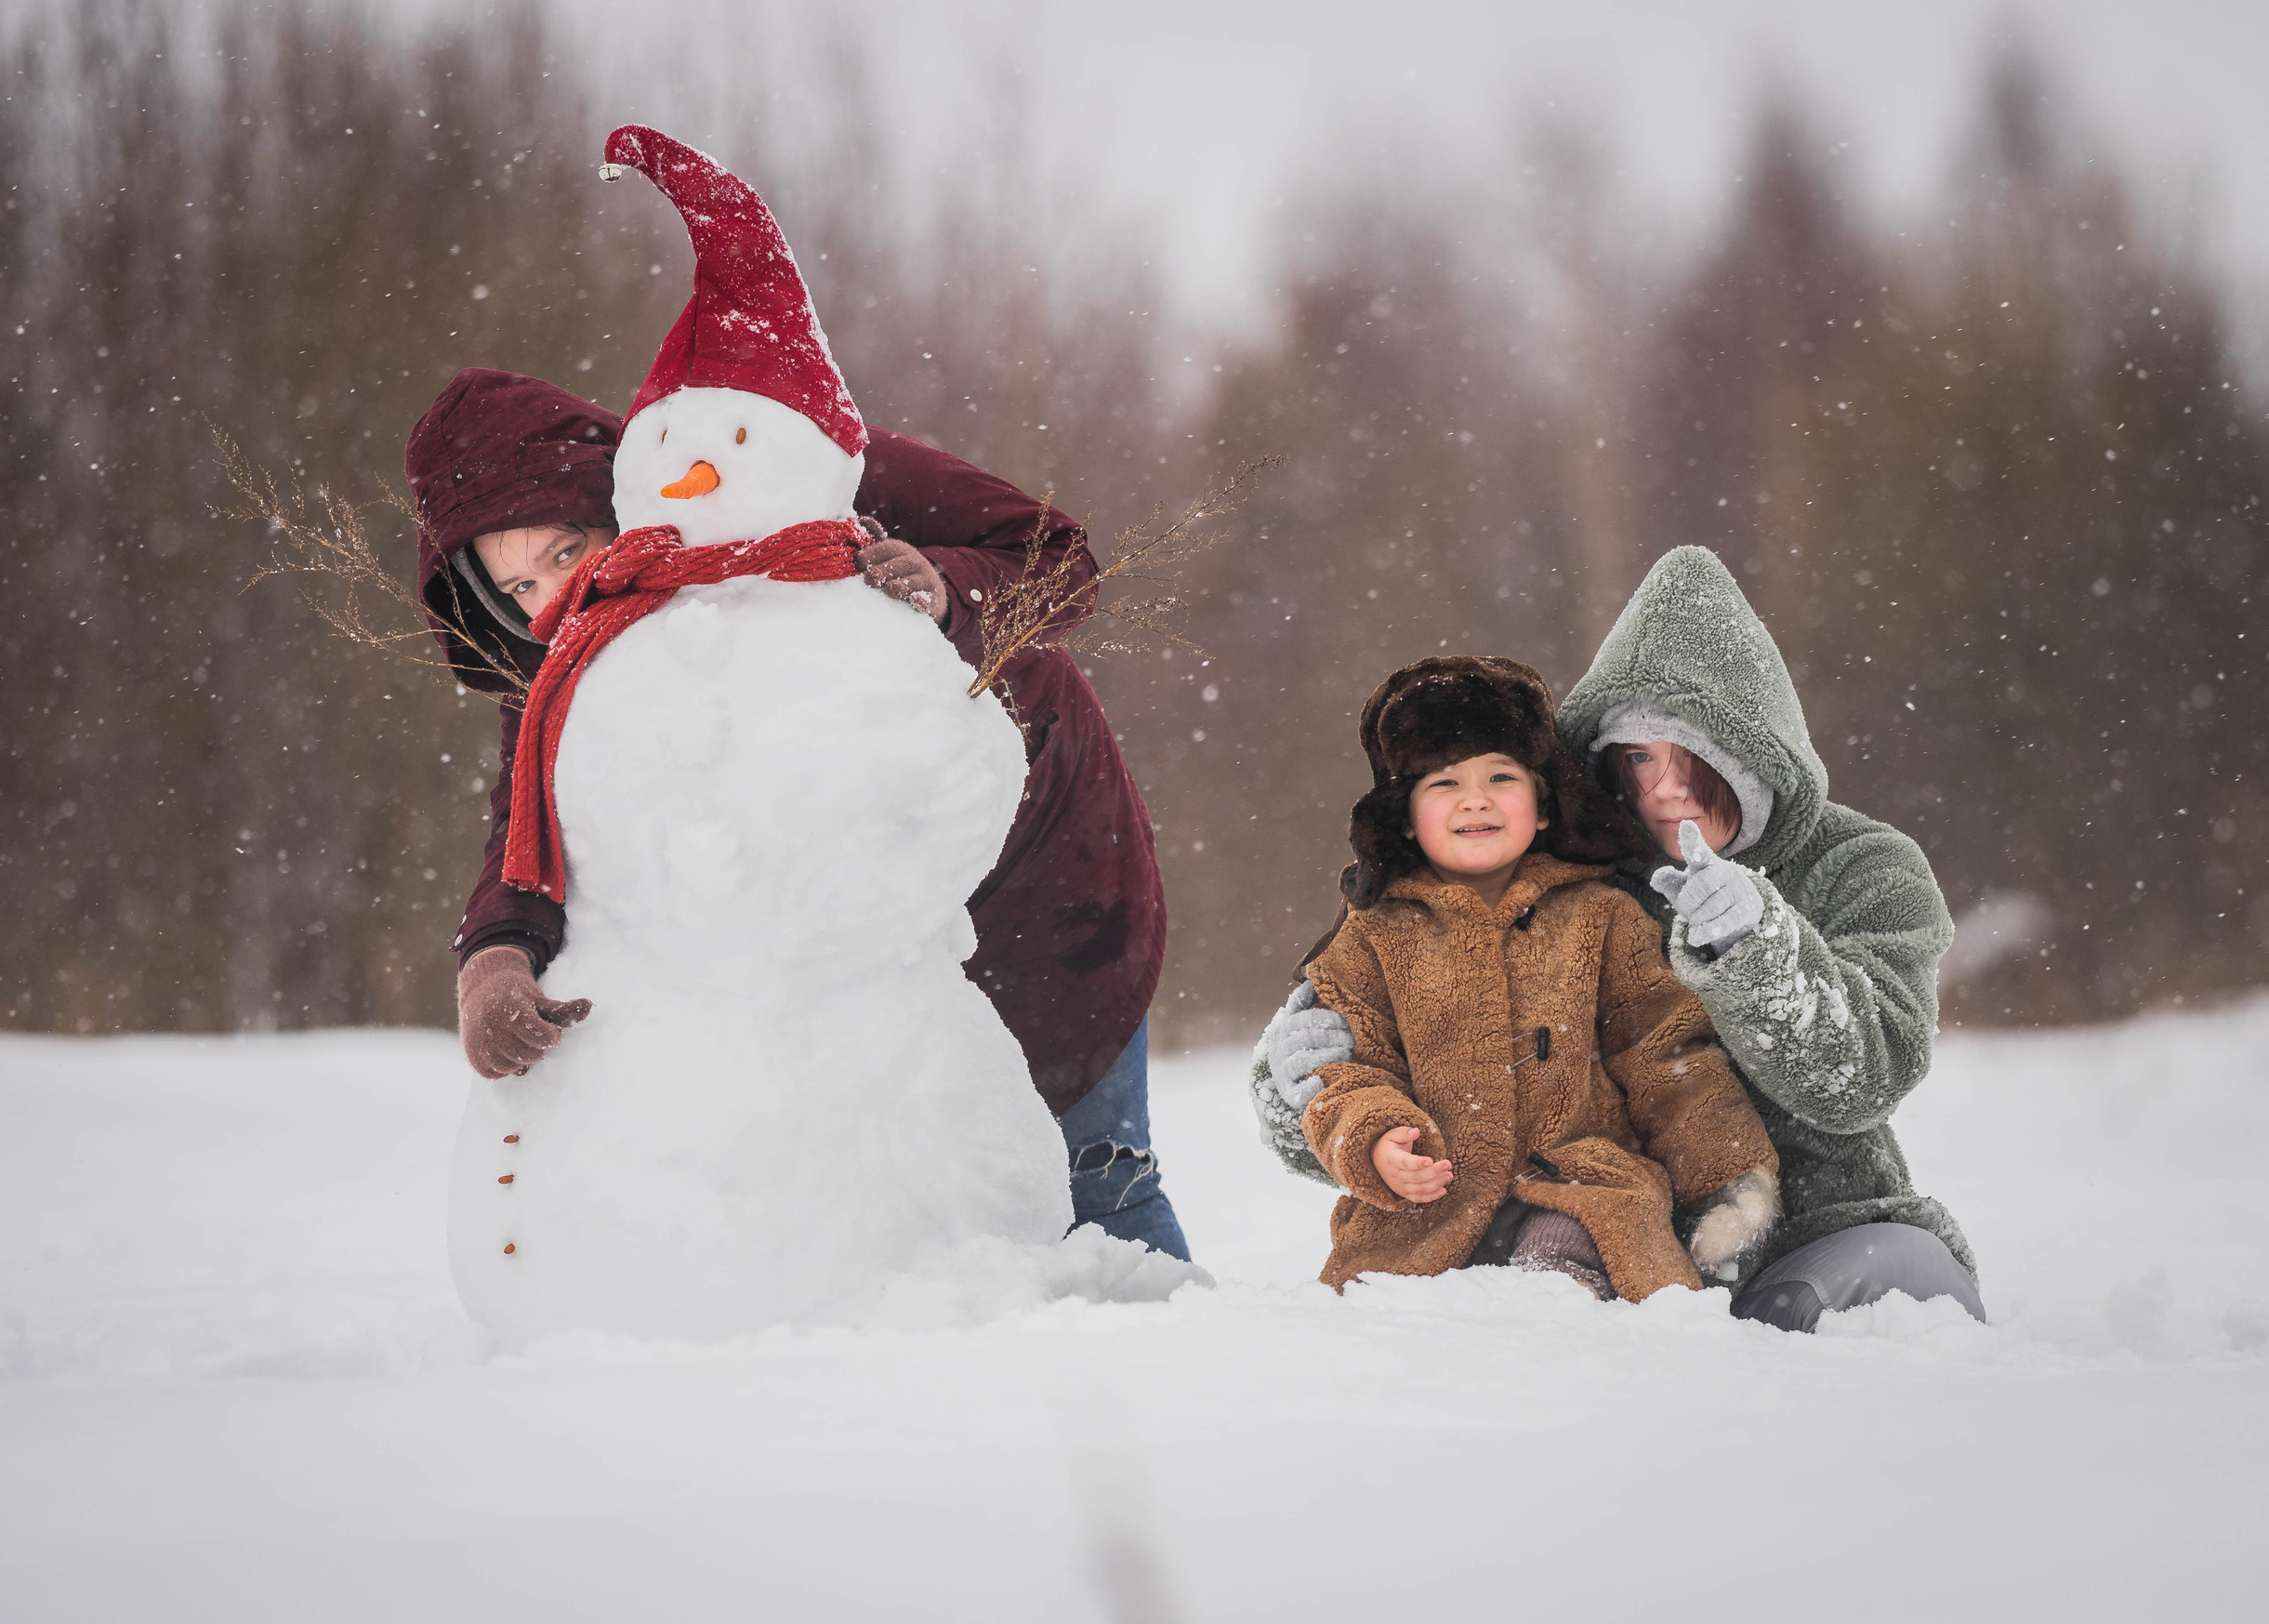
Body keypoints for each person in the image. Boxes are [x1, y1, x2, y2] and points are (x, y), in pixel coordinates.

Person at [403, 367, 1188, 1260]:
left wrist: (944, 586)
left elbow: (1061, 562)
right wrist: (497, 958)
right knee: (918, 1235)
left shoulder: (783, 456)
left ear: (610, 496)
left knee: (1097, 1182)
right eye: (515, 589)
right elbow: (528, 824)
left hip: (1046, 894)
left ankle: (1161, 1384)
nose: (549, 594)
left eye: (563, 547)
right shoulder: (568, 652)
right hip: (842, 975)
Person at [1256, 547, 1978, 1328]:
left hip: (1822, 1229)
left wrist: (1758, 947)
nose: (1662, 788)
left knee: (1896, 1299)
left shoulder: (1862, 866)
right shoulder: (1569, 873)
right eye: (1637, 757)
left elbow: (1863, 1076)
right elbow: (1431, 1051)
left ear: (1758, 755)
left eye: (1693, 756)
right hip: (1620, 1245)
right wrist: (1297, 1087)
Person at [1296, 654, 1779, 1300]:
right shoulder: (1373, 934)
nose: (1476, 798)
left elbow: (1666, 1053)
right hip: (1424, 1208)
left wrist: (1729, 1175)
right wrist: (1378, 1141)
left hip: (1578, 1190)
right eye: (1444, 783)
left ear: (1544, 806)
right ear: (1406, 818)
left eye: (1501, 776)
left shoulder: (1601, 917)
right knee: (1396, 1307)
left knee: (1564, 1266)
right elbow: (1349, 1067)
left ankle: (1557, 1331)